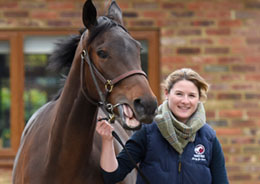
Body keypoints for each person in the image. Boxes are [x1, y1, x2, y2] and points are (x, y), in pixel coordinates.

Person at [96, 68, 229, 184]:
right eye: (179, 94)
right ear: (167, 93)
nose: (185, 101)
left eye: (192, 95)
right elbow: (112, 176)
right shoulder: (148, 132)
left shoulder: (208, 138)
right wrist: (107, 140)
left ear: (198, 99)